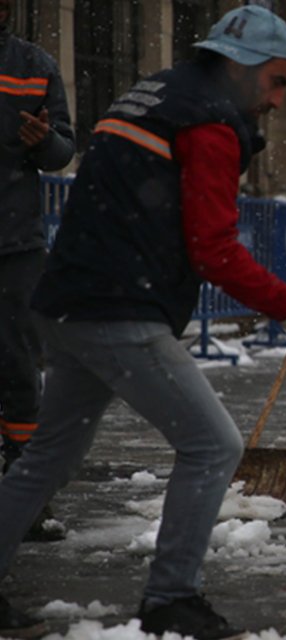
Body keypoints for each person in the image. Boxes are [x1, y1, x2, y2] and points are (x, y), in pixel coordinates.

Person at [0, 7, 286, 639]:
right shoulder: (209, 122)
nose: (279, 99)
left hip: (68, 296)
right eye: (278, 80)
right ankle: (171, 600)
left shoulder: (155, 92)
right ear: (241, 66)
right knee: (214, 446)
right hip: (118, 306)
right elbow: (214, 248)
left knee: (46, 458)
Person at [0, 0, 75, 545]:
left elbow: (63, 150)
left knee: (22, 374)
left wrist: (44, 143)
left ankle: (26, 496)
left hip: (14, 247)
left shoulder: (35, 67)